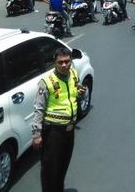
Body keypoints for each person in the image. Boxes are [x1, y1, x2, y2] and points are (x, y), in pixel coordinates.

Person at [32, 47, 87, 192]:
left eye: (67, 61)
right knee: (50, 170)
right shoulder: (46, 81)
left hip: (69, 130)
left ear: (71, 61)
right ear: (55, 63)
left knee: (63, 165)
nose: (64, 65)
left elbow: (72, 95)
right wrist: (37, 134)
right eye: (60, 62)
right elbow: (38, 109)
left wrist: (80, 93)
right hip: (53, 132)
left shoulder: (73, 74)